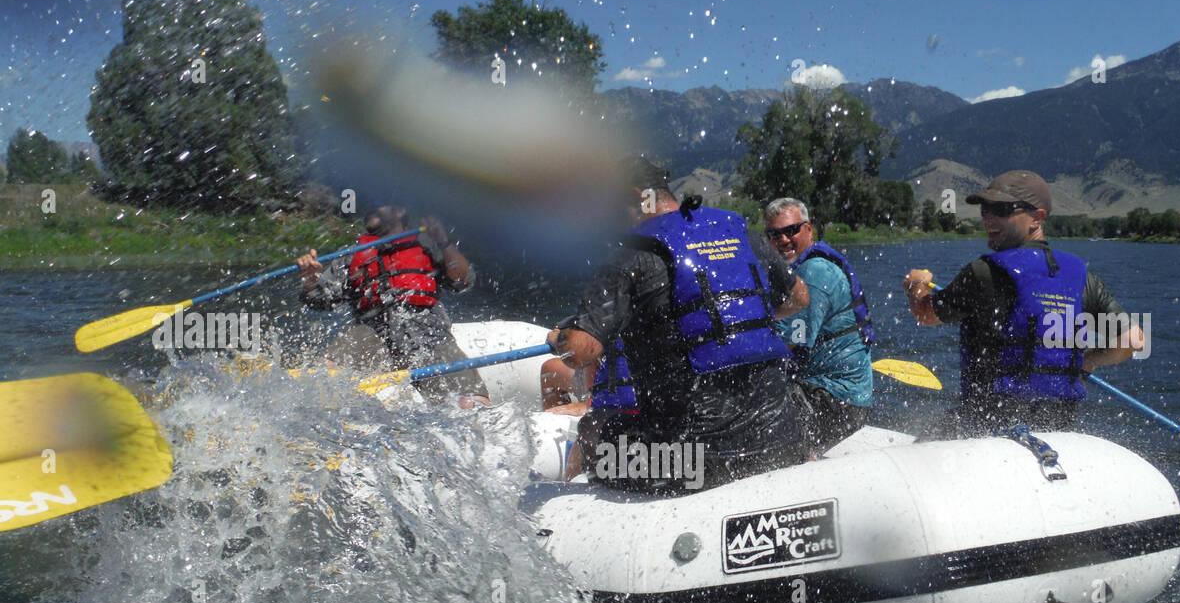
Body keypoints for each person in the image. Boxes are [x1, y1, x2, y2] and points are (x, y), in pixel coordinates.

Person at [544, 157, 811, 493]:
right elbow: (800, 297)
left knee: (598, 432)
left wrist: (561, 338)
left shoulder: (628, 256)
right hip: (780, 440)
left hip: (697, 462)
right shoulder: (737, 231)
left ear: (637, 196)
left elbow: (583, 352)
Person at [903, 170, 1144, 436]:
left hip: (987, 420)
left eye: (1002, 210)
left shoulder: (985, 272)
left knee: (926, 441)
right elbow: (1132, 341)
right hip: (1059, 425)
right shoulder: (1081, 277)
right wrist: (1089, 361)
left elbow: (925, 315)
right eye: (985, 210)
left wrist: (917, 284)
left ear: (1037, 218)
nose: (989, 219)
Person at [295, 205, 488, 400]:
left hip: (427, 335)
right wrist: (310, 279)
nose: (371, 209)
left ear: (400, 211)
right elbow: (319, 300)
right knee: (326, 372)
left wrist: (443, 241)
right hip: (372, 334)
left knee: (471, 402)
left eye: (378, 203)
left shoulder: (428, 245)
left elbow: (462, 281)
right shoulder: (353, 255)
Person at [763, 197, 876, 452]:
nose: (782, 240)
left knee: (752, 409)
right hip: (829, 391)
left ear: (809, 229)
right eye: (774, 234)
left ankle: (804, 458)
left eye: (791, 230)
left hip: (835, 399)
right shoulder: (794, 273)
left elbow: (791, 344)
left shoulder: (814, 272)